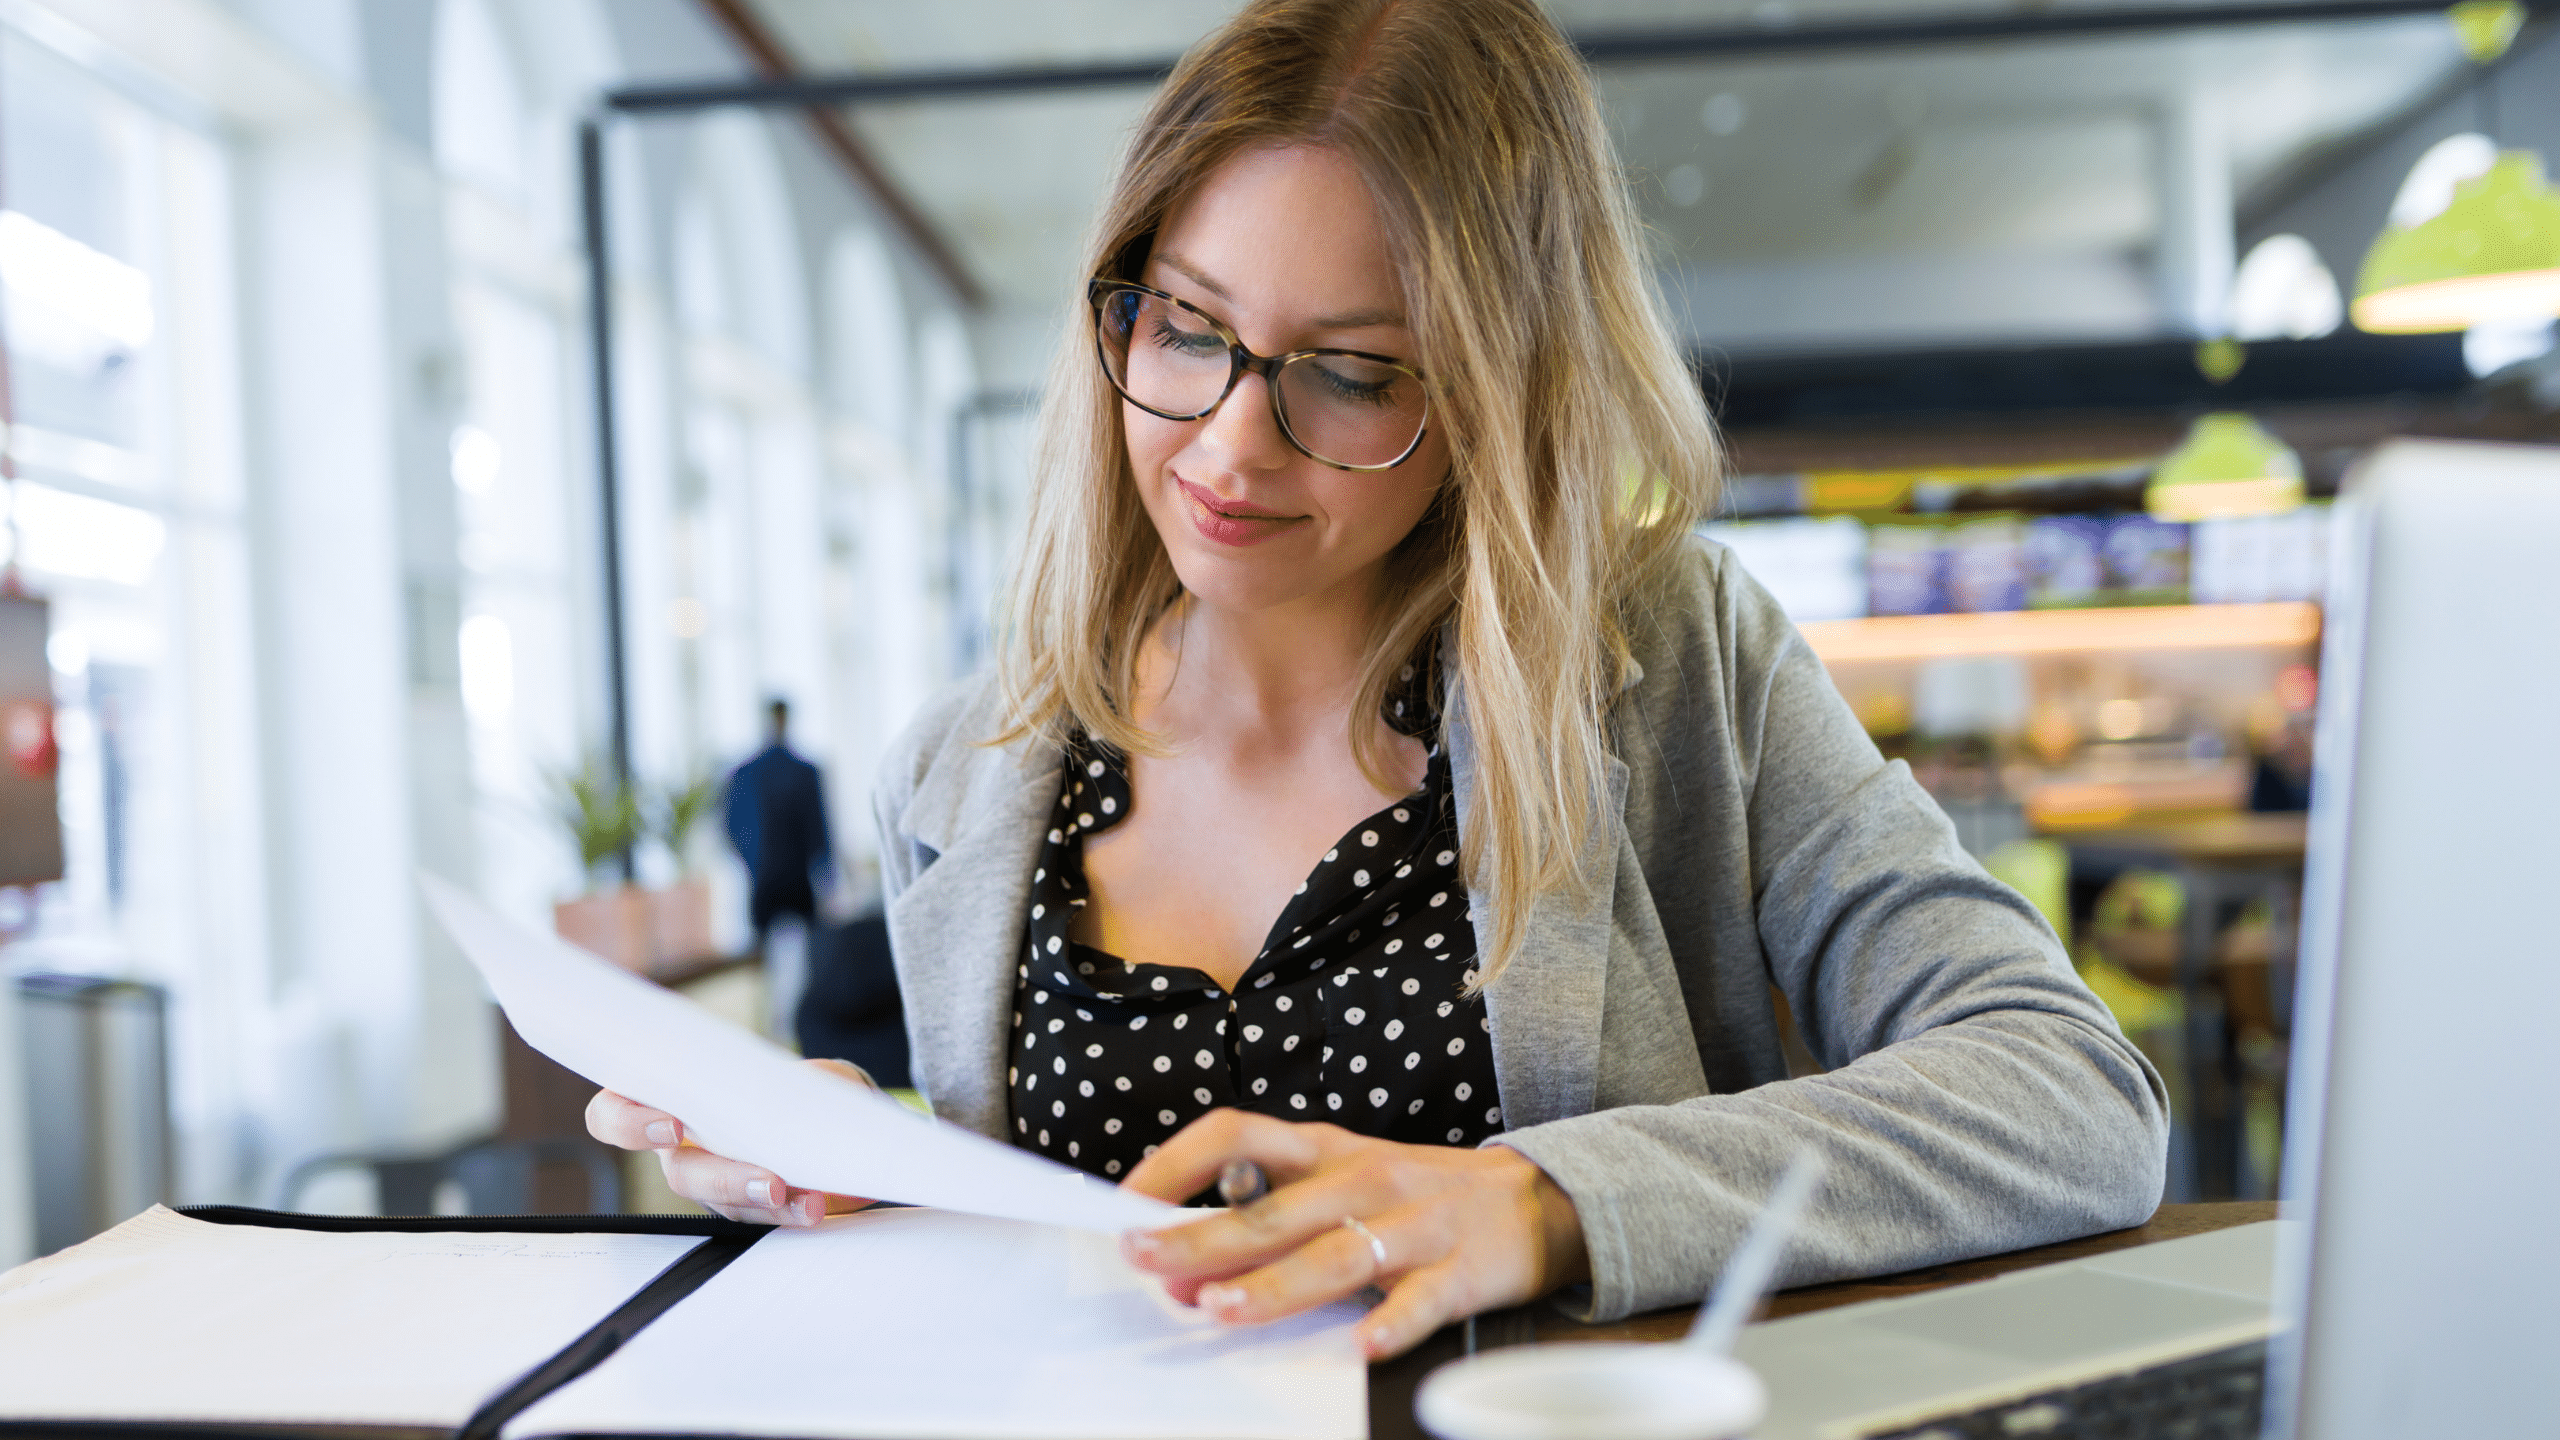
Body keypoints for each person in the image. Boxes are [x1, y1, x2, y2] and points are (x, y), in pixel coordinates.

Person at [591, 0, 2166, 1362]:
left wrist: (1547, 1203)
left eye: (1351, 375)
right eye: (1189, 328)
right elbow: (1044, 1233)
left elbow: (2071, 1093)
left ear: (1500, 388)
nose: (1226, 446)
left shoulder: (1669, 658)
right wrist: (861, 1167)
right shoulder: (963, 765)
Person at [723, 698, 837, 939]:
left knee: (802, 950)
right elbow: (820, 831)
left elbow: (820, 829)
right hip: (770, 877)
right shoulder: (747, 774)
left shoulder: (801, 772)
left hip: (787, 877)